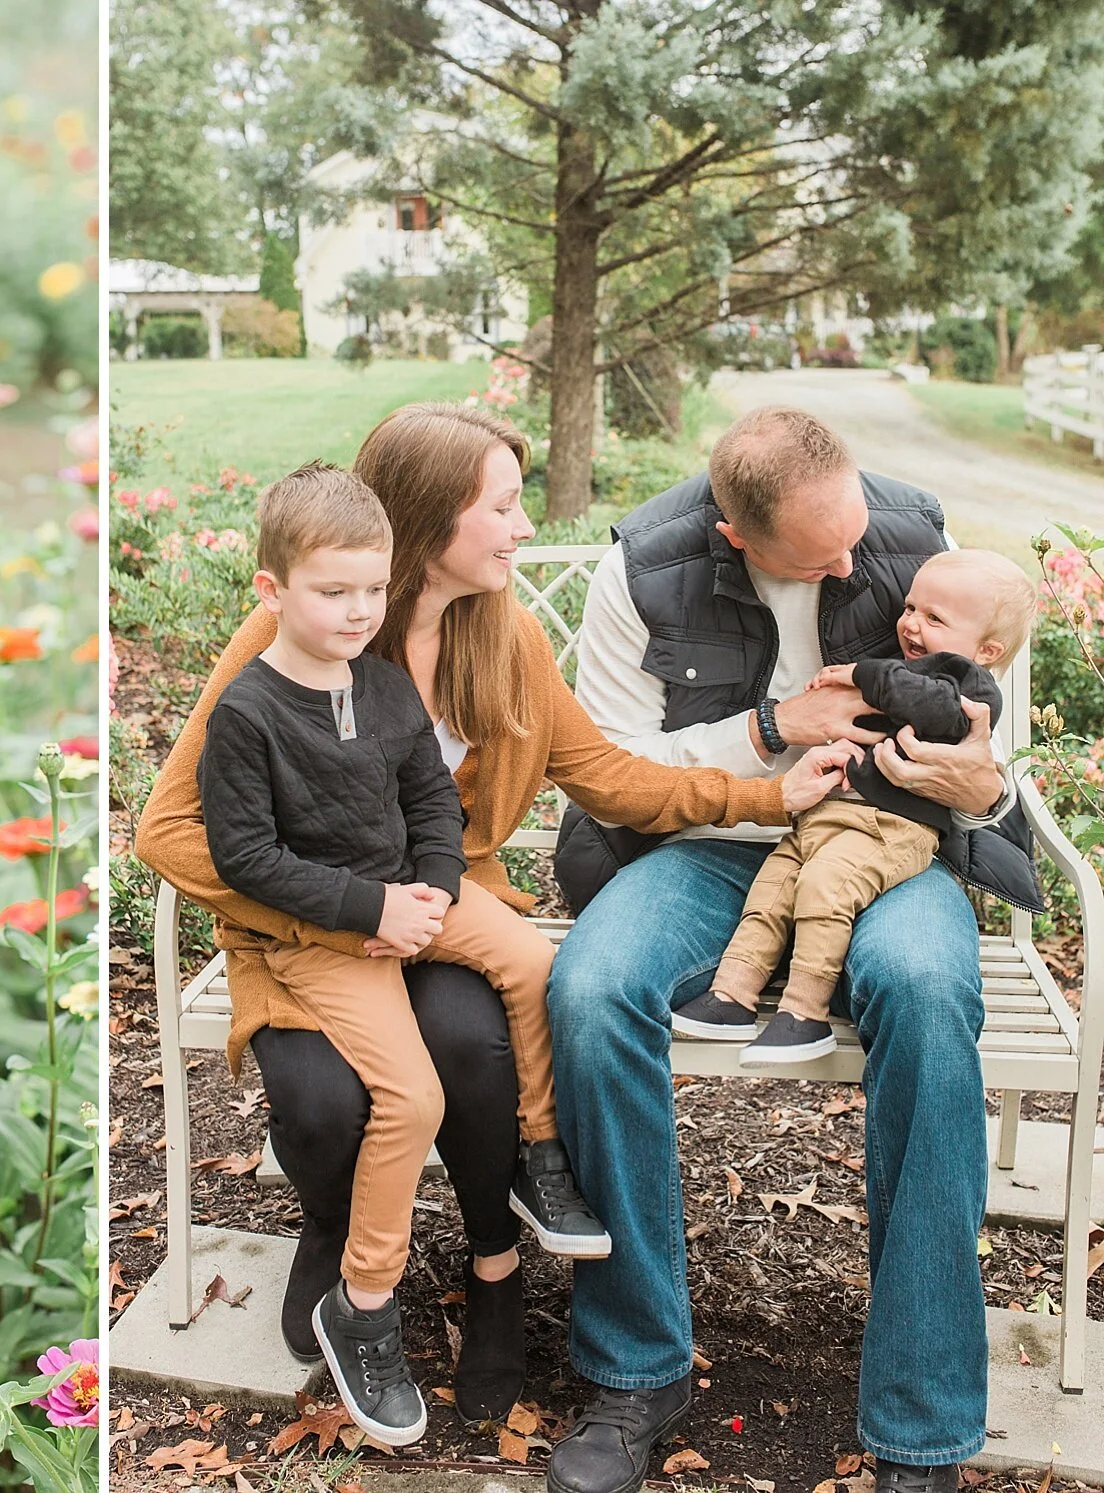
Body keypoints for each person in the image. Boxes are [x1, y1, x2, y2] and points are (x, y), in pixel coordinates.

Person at [135, 402, 853, 1424]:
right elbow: (168, 829)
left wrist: (761, 791)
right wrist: (349, 909)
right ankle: (331, 1231)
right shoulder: (298, 631)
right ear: (429, 519)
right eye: (504, 506)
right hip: (297, 922)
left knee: (473, 1048)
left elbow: (605, 775)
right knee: (323, 1099)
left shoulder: (502, 633)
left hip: (441, 900)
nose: (521, 529)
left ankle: (494, 1265)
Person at [546, 406, 1042, 1493]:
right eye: (819, 554)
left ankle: (920, 1420)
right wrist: (771, 730)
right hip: (713, 843)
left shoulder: (906, 531)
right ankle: (638, 1368)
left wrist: (978, 784)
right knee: (586, 987)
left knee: (919, 985)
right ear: (733, 535)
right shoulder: (641, 566)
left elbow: (989, 736)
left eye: (856, 533)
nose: (850, 563)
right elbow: (613, 767)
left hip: (892, 845)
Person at [197, 460, 608, 1445]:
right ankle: (365, 1302)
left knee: (530, 960)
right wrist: (368, 905)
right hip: (329, 934)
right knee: (412, 1096)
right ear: (271, 592)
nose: (353, 610)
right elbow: (242, 855)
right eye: (329, 591)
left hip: (411, 900)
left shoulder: (379, 688)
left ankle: (538, 1156)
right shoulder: (246, 713)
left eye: (368, 591)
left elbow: (430, 794)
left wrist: (432, 882)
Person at [674, 548, 1035, 1065]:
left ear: (987, 650)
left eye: (935, 619)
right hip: (828, 817)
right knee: (774, 889)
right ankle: (732, 994)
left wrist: (863, 674)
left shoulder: (968, 689)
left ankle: (804, 1014)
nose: (911, 624)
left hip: (894, 829)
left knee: (825, 888)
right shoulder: (904, 669)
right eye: (911, 607)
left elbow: (931, 707)